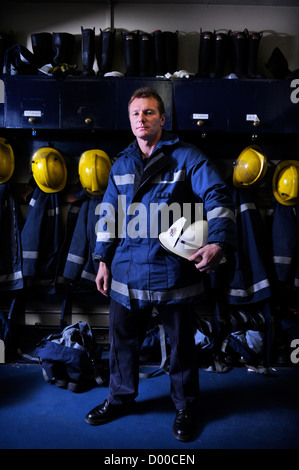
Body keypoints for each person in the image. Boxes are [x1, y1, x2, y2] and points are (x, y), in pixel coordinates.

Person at [85, 87, 236, 442]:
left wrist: (218, 241)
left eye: (150, 112)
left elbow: (217, 196)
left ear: (162, 119)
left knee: (182, 347)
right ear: (130, 120)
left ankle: (186, 407)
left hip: (173, 273)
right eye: (136, 113)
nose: (142, 119)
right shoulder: (121, 163)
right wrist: (102, 260)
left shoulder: (187, 157)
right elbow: (108, 215)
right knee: (121, 343)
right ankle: (120, 398)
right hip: (126, 269)